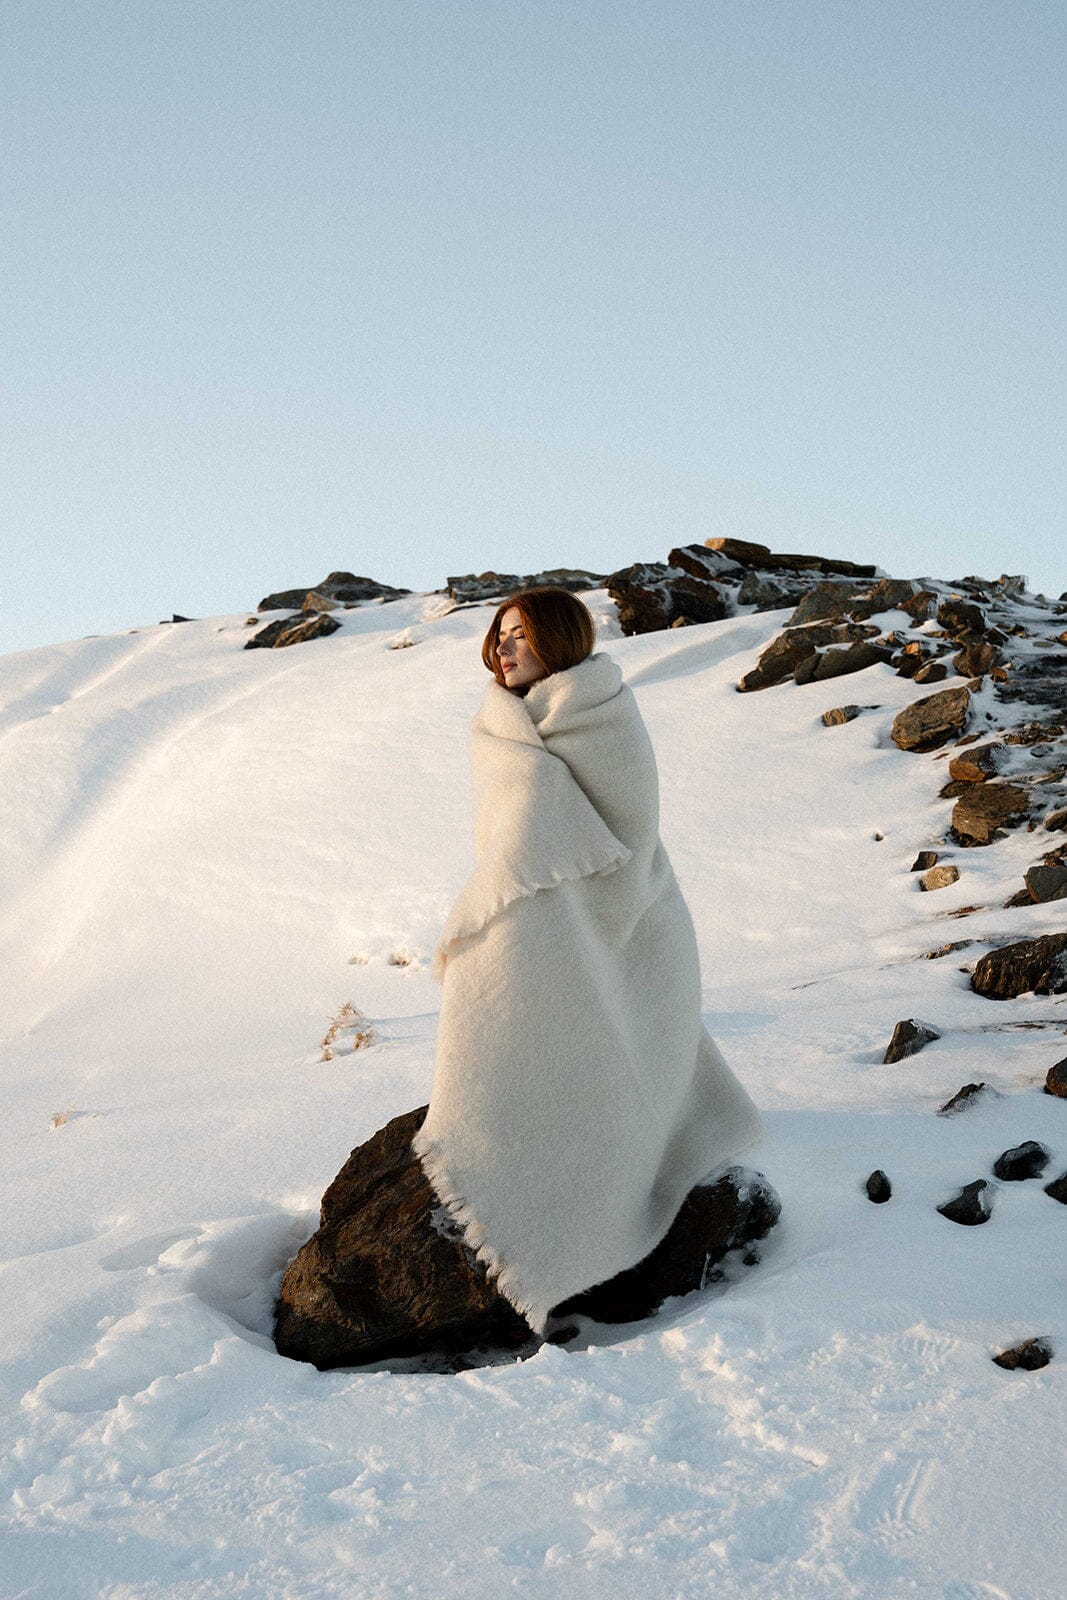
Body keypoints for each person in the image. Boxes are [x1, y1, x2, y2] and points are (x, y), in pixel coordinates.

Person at [412, 586, 762, 1336]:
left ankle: (592, 1202)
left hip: (625, 913)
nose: (503, 649)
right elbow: (512, 837)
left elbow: (625, 835)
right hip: (541, 906)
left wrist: (540, 807)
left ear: (560, 640)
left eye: (520, 636)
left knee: (610, 1058)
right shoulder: (497, 721)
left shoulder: (602, 710)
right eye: (498, 636)